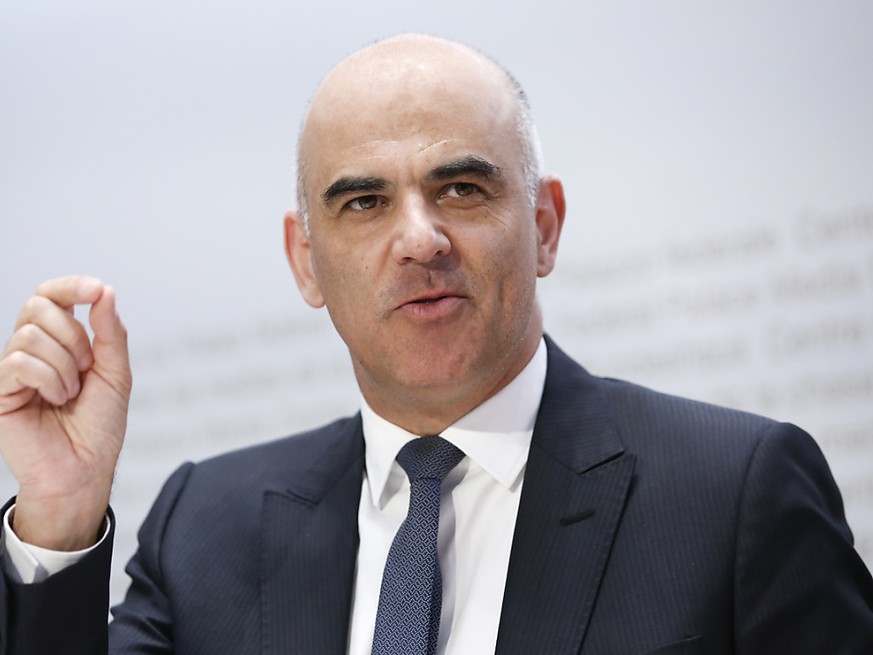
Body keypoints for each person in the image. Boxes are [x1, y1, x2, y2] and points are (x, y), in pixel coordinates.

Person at [1, 33, 872, 655]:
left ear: (544, 226)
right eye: (364, 202)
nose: (419, 239)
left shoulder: (734, 493)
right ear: (305, 262)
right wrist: (59, 514)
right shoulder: (206, 527)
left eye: (460, 188)